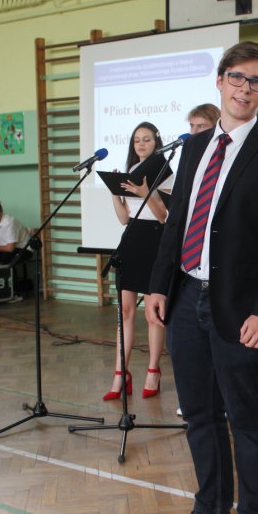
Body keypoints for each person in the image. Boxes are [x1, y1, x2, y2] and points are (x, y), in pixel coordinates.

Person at [146, 41, 258, 514]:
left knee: (247, 417)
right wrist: (158, 285)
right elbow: (177, 226)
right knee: (199, 413)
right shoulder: (194, 148)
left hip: (243, 311)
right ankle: (211, 506)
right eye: (237, 77)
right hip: (186, 298)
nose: (245, 88)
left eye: (256, 81)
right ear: (220, 81)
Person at [103, 121, 172, 401]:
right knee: (125, 311)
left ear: (157, 142)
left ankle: (153, 371)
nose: (141, 144)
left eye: (146, 139)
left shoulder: (164, 171)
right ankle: (121, 373)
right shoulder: (131, 170)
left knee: (153, 314)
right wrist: (114, 194)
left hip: (155, 241)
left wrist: (146, 194)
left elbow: (164, 216)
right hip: (130, 240)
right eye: (136, 140)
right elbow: (123, 218)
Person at [174, 102, 221, 417]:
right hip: (188, 282)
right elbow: (177, 221)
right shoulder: (190, 155)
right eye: (190, 126)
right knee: (196, 406)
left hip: (224, 283)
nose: (193, 133)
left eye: (200, 127)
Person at [0, 199, 29, 265]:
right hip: (2, 248)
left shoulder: (10, 222)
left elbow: (10, 248)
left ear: (1, 212)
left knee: (5, 257)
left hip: (22, 249)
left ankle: (8, 272)